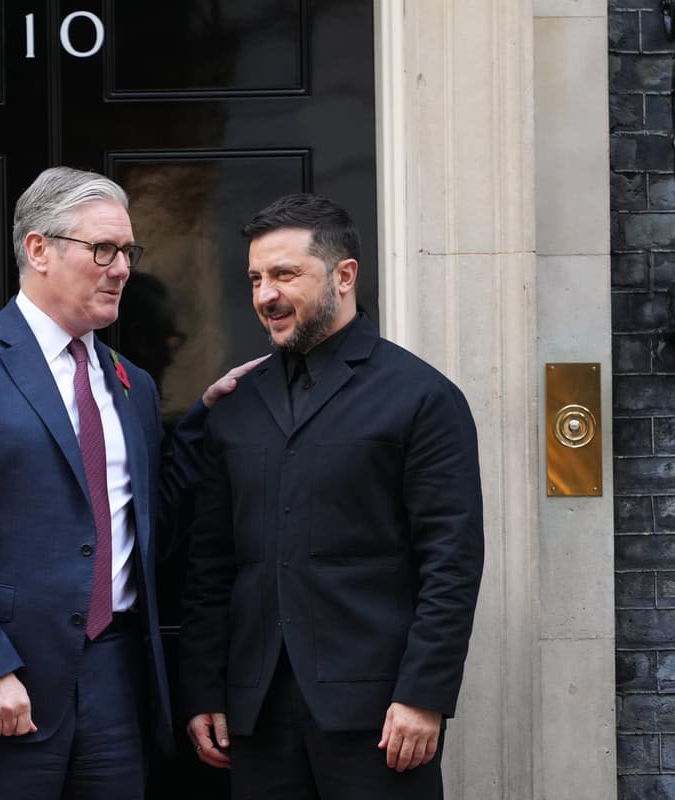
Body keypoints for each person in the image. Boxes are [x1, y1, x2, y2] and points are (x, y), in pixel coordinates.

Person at [0, 166, 262, 800]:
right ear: (38, 249)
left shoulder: (130, 382)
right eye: (103, 250)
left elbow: (146, 526)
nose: (121, 269)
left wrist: (204, 421)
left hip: (114, 679)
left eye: (128, 253)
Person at [180, 193, 484, 799]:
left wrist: (423, 695)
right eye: (256, 278)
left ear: (344, 276)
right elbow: (210, 564)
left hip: (381, 717)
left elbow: (451, 560)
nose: (266, 294)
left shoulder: (422, 398)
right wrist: (205, 689)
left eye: (285, 274)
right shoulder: (236, 407)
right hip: (256, 712)